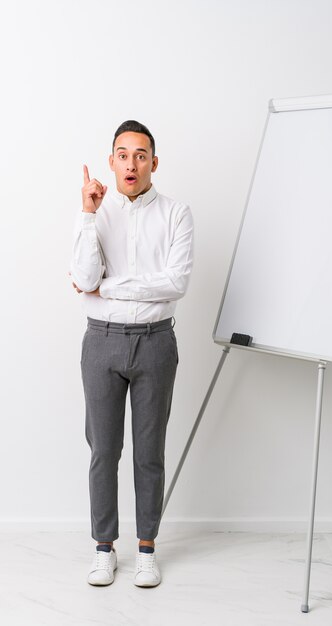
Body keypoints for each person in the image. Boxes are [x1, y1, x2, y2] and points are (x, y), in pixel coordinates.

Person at [69, 120, 194, 587]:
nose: (131, 164)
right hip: (100, 341)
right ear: (111, 161)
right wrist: (85, 214)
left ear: (153, 163)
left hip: (157, 342)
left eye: (140, 155)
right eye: (122, 154)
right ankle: (104, 549)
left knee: (149, 452)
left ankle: (146, 549)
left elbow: (175, 283)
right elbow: (83, 277)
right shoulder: (96, 212)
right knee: (104, 450)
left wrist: (110, 286)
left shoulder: (177, 214)